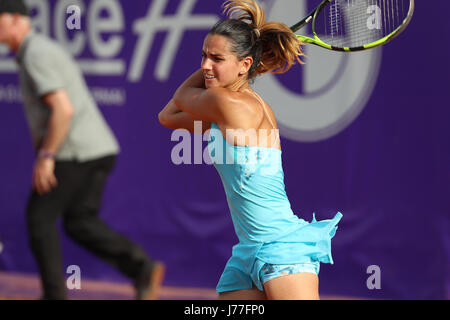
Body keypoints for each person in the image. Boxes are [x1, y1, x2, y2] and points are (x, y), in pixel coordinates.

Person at [159, 0, 342, 300]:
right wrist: (222, 69)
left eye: (216, 58)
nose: (206, 65)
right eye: (203, 56)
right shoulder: (227, 110)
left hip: (282, 249)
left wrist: (216, 76)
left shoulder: (230, 105)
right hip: (248, 253)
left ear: (244, 64)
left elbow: (181, 97)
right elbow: (167, 117)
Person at [0, 0, 164, 300]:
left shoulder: (35, 52)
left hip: (74, 151)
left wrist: (47, 156)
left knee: (39, 218)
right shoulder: (36, 50)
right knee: (79, 221)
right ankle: (140, 268)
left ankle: (54, 296)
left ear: (13, 20)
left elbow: (63, 110)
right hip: (98, 149)